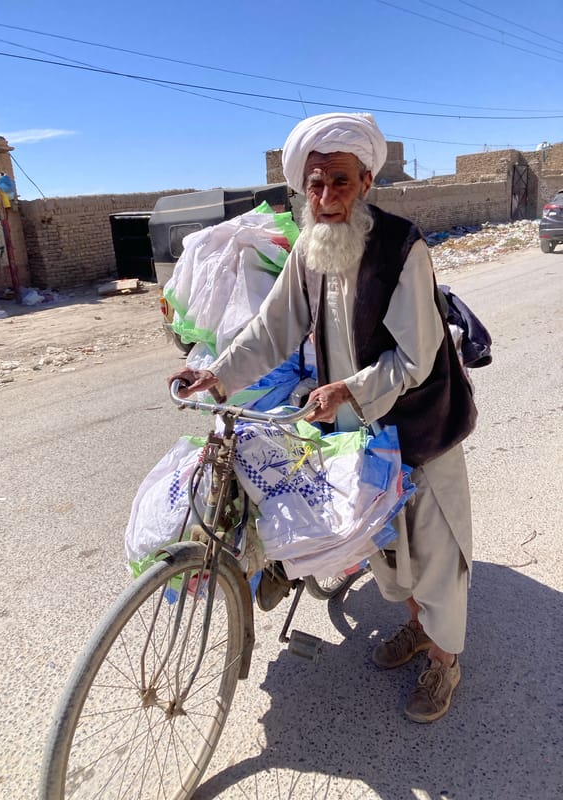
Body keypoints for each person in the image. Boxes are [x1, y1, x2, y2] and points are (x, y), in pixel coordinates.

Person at [168, 112, 477, 724]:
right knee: (389, 546)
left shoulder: (402, 247)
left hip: (419, 425)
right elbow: (271, 328)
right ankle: (416, 629)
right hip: (357, 429)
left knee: (436, 548)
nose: (326, 197)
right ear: (302, 190)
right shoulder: (310, 251)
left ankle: (445, 661)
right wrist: (219, 375)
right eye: (315, 184)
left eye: (340, 181)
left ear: (366, 182)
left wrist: (349, 391)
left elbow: (415, 358)